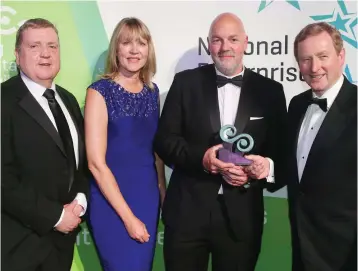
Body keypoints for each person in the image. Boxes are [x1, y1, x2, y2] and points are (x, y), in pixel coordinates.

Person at [154, 12, 287, 271]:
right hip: (186, 216)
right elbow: (164, 141)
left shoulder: (270, 91)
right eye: (217, 40)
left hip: (242, 218)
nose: (225, 47)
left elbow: (282, 155)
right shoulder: (185, 83)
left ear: (246, 42)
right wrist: (202, 160)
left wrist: (261, 169)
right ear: (209, 44)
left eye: (233, 39)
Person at [1, 18, 89, 271]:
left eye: (52, 46)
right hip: (17, 247)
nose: (45, 54)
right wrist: (55, 216)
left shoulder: (69, 100)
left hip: (61, 247)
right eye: (35, 46)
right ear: (17, 55)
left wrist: (80, 201)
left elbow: (79, 164)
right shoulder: (3, 101)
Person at [85, 17, 166, 271]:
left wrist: (162, 195)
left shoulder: (153, 92)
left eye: (141, 43)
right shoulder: (99, 92)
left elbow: (157, 153)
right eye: (127, 42)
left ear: (148, 49)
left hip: (147, 197)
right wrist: (129, 218)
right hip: (112, 201)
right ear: (116, 49)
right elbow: (96, 164)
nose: (134, 50)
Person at [286, 22, 357, 271]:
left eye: (322, 56)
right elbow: (295, 169)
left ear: (341, 56)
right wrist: (264, 168)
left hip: (344, 257)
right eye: (305, 59)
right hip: (302, 252)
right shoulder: (296, 105)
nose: (314, 68)